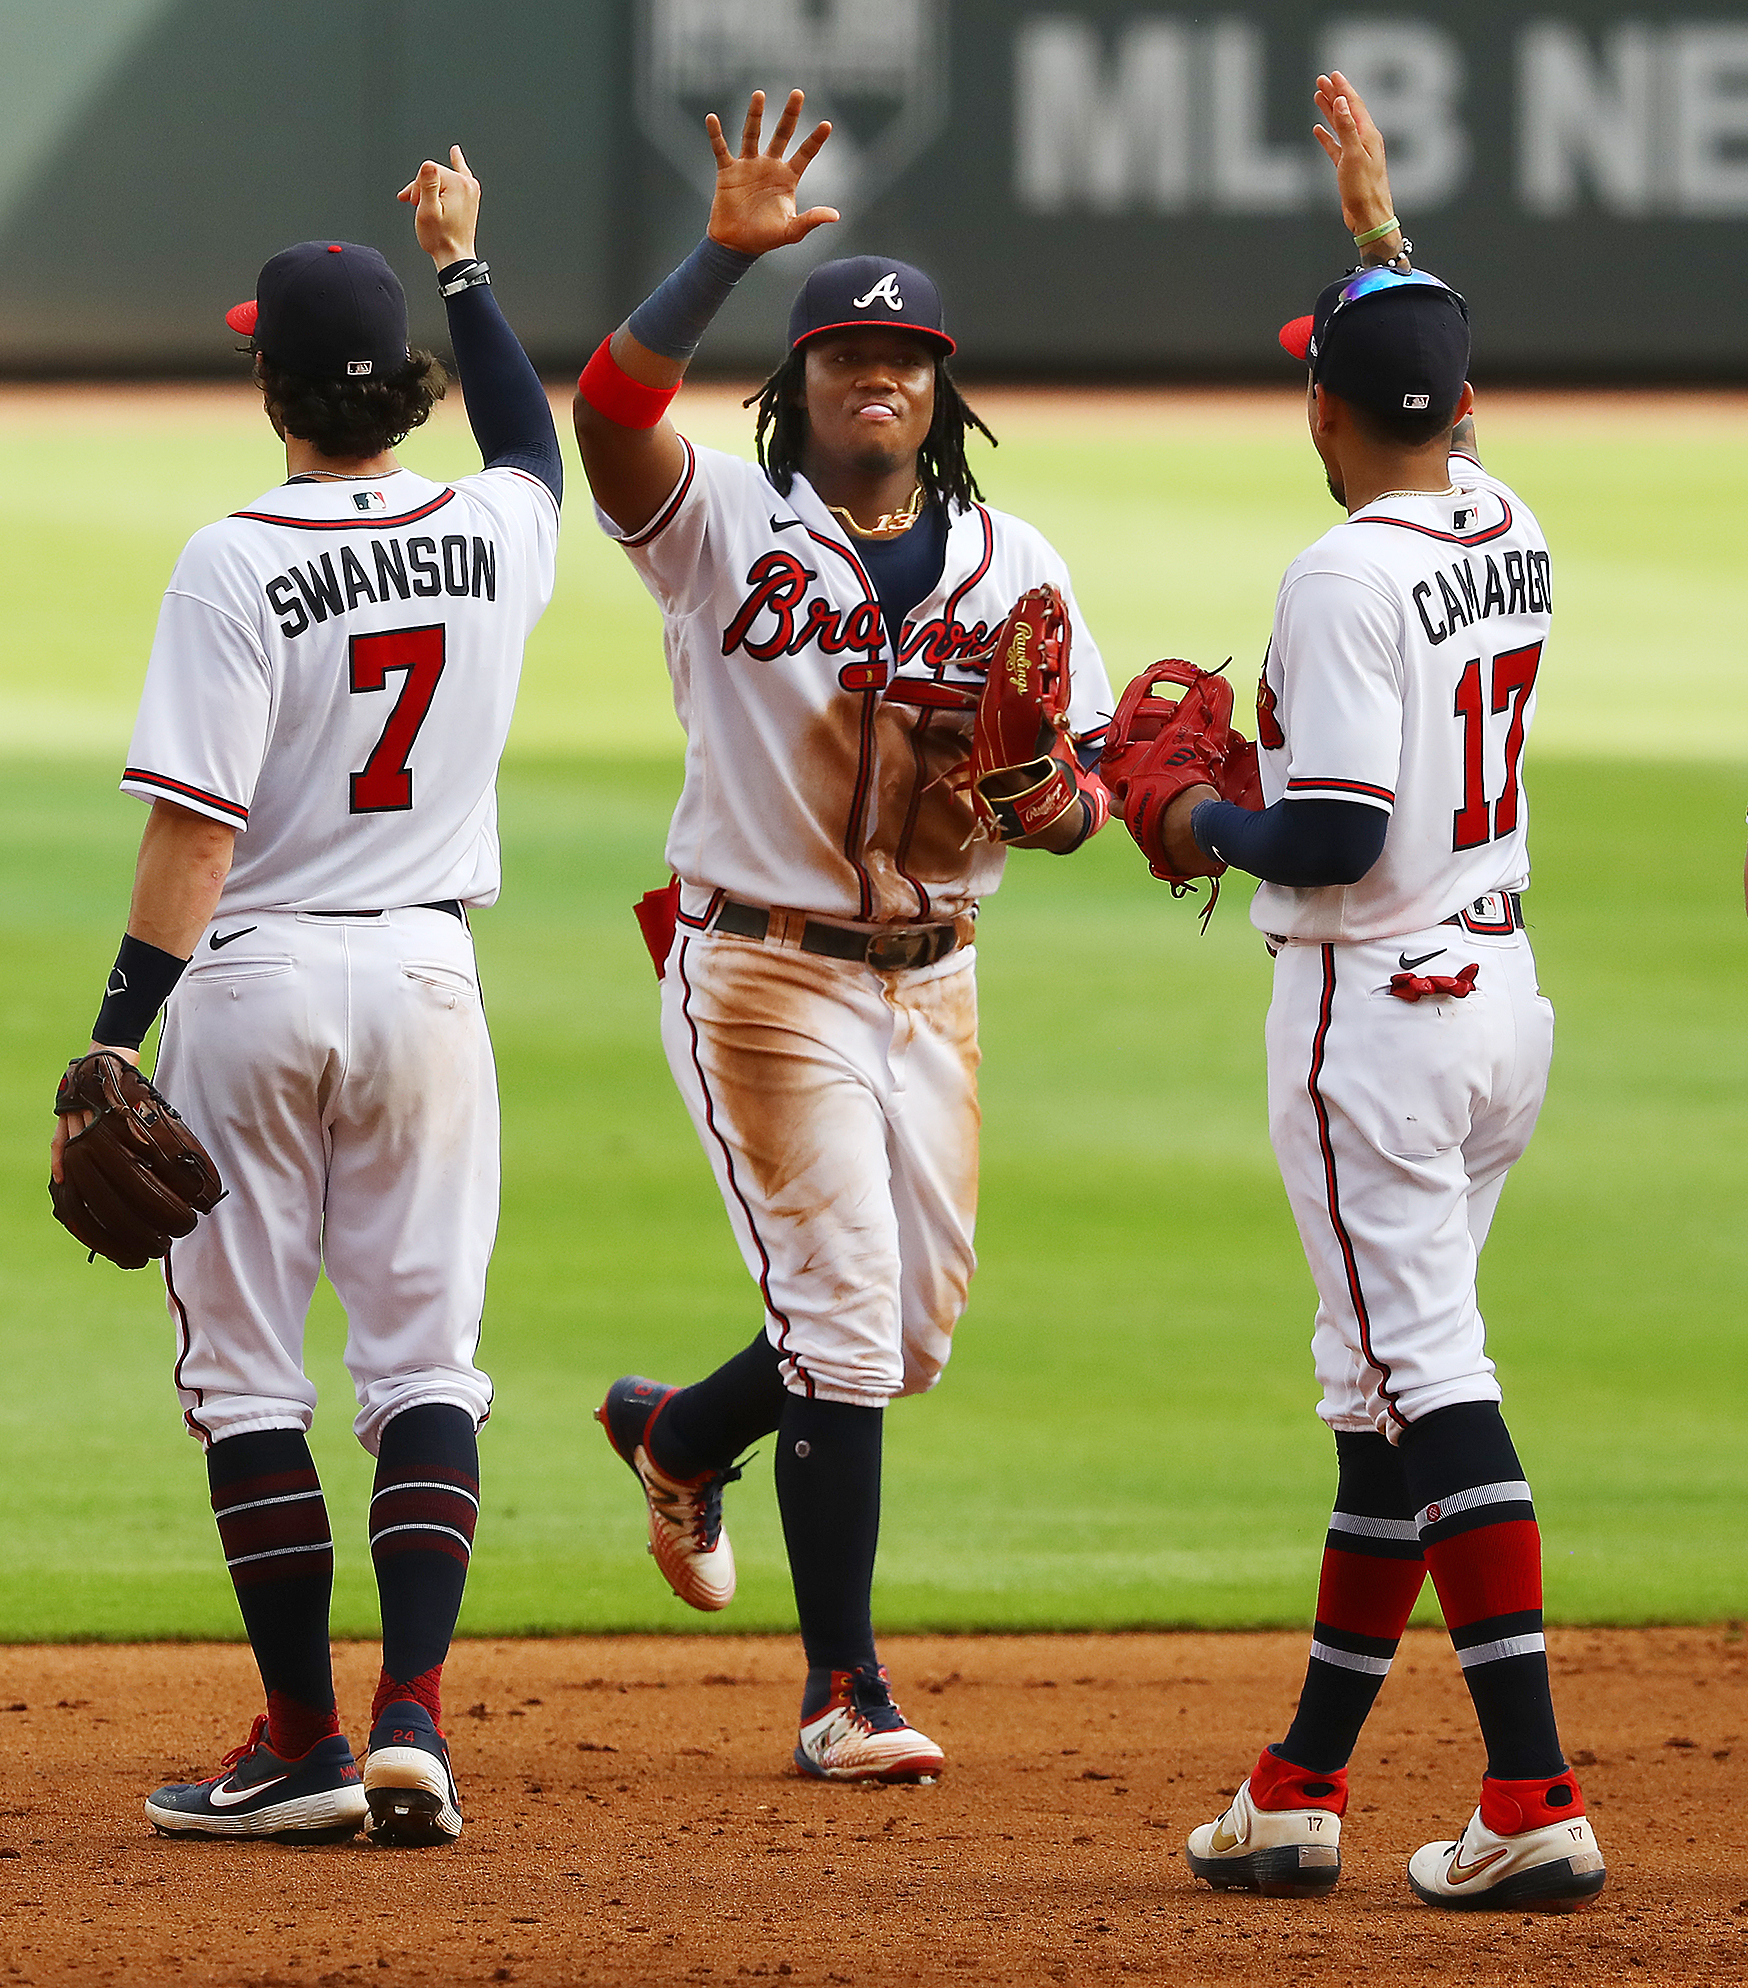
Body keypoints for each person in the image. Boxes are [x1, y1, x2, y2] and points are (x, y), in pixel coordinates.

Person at [571, 93, 1113, 1783]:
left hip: (934, 979)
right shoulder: (716, 527)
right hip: (758, 969)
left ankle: (675, 1436)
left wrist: (1053, 803)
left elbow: (1082, 784)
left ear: (941, 389)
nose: (878, 375)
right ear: (793, 386)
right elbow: (606, 412)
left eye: (907, 357)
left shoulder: (1018, 563)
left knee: (903, 1337)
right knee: (844, 1318)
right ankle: (844, 1691)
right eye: (846, 354)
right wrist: (722, 255)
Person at [53, 149, 560, 1846]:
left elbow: (194, 835)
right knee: (427, 1363)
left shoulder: (231, 555)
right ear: (404, 384)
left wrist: (112, 1040)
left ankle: (299, 1741)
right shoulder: (493, 532)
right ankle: (413, 1718)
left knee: (251, 1381)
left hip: (257, 982)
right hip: (428, 980)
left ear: (264, 379)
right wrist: (469, 270)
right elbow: (535, 449)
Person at [1145, 76, 1605, 1912]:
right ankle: (1301, 1785)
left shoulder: (1343, 573)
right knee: (1380, 1401)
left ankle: (1533, 1793)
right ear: (1463, 409)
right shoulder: (1509, 522)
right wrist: (1380, 235)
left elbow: (1329, 833)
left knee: (1427, 1383)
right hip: (1502, 1007)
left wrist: (1184, 805)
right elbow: (1429, 379)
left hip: (1376, 1024)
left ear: (1320, 409)